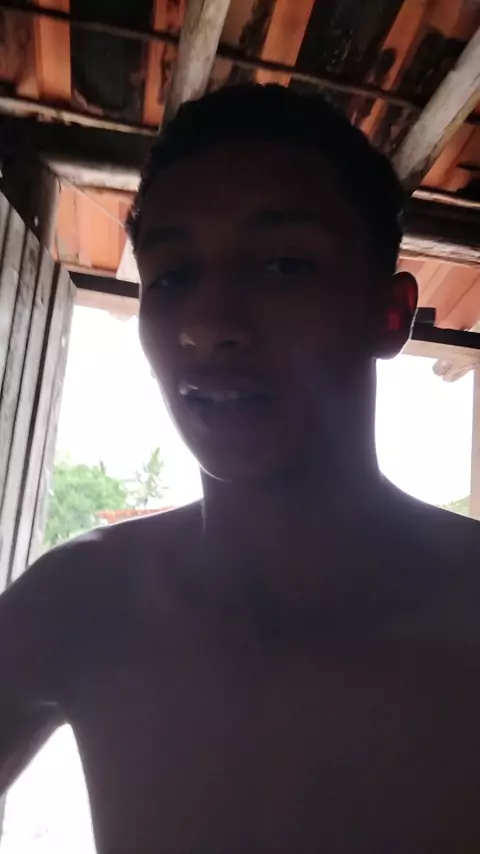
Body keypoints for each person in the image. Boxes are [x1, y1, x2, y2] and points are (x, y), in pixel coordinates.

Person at [1, 83, 480, 854]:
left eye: (284, 266)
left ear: (388, 316)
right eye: (172, 276)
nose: (209, 325)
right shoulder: (81, 602)